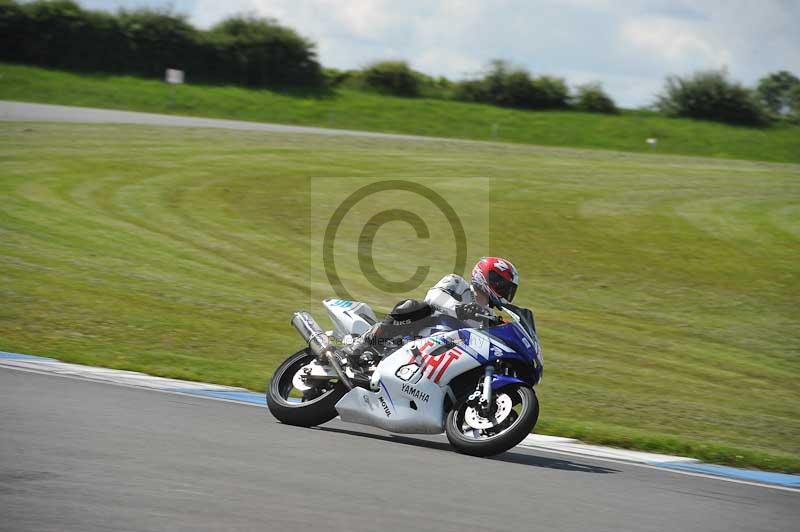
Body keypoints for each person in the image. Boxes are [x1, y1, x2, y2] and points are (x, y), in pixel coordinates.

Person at [350, 257, 520, 358]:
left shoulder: (489, 316)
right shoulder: (457, 283)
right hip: (420, 334)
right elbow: (433, 297)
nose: (504, 292)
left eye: (508, 289)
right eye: (502, 285)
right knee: (414, 307)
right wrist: (460, 309)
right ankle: (364, 342)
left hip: (452, 352)